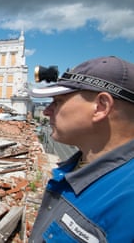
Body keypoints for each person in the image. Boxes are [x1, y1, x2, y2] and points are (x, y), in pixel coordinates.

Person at [28, 56, 134, 242]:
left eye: (58, 101)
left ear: (101, 106)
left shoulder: (127, 202)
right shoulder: (78, 167)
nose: (46, 111)